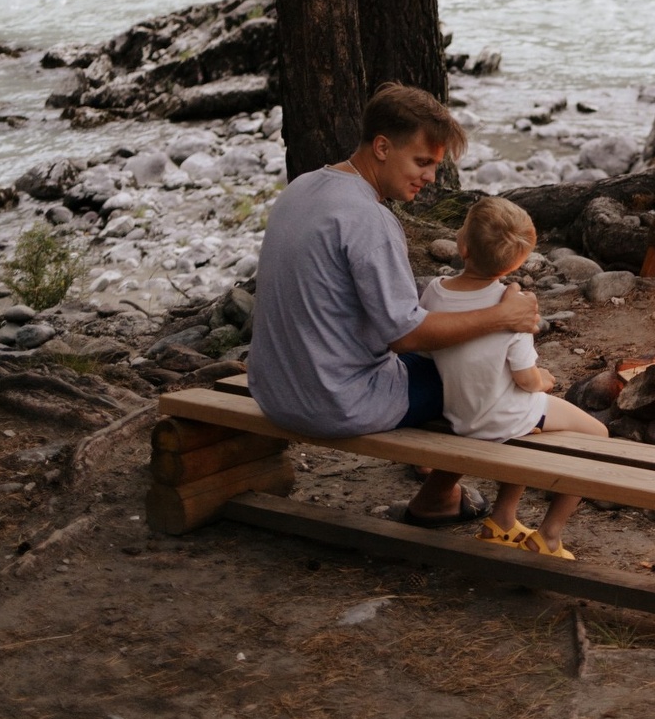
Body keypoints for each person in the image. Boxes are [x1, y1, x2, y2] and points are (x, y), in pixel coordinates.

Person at [248, 80, 538, 527]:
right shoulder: (370, 219)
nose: (428, 177)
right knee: (486, 380)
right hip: (334, 402)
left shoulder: (303, 187)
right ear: (382, 147)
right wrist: (502, 315)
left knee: (449, 364)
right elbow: (405, 336)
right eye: (422, 162)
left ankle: (431, 464)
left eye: (434, 165)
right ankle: (438, 496)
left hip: (274, 388)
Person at [423, 195, 607, 557]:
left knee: (526, 430)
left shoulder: (433, 292)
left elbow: (433, 348)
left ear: (462, 246)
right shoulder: (513, 307)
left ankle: (503, 520)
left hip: (462, 414)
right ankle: (550, 535)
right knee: (598, 437)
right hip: (503, 415)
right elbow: (525, 380)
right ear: (515, 264)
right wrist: (544, 379)